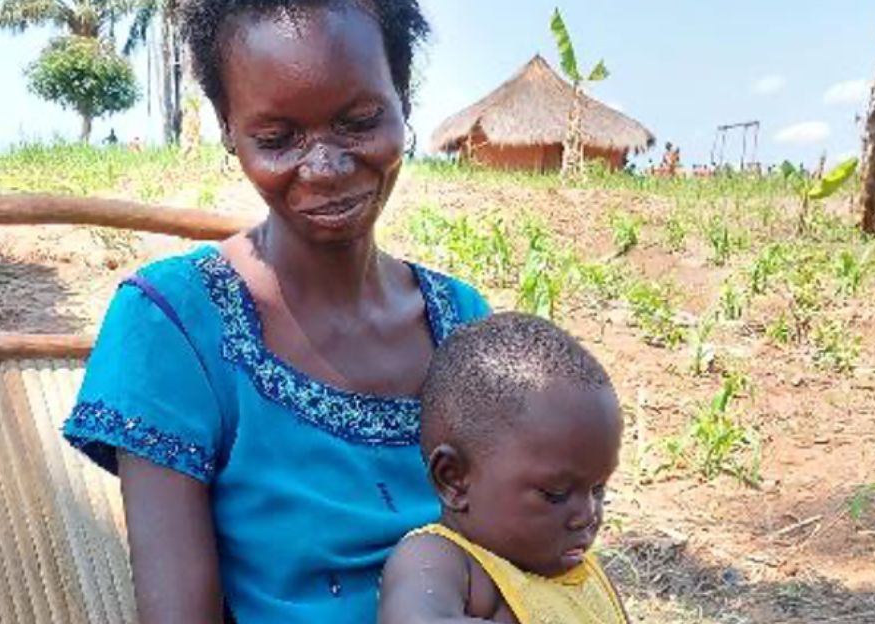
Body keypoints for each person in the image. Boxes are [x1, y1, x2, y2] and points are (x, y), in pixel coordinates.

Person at [61, 1, 491, 622]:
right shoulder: (174, 323)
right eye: (278, 139)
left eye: (360, 121)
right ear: (229, 129)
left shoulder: (460, 322)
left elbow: (532, 546)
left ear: (403, 99)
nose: (325, 167)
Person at [378, 313, 628, 624]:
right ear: (454, 480)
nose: (588, 515)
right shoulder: (440, 560)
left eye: (598, 489)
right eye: (556, 494)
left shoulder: (589, 579)